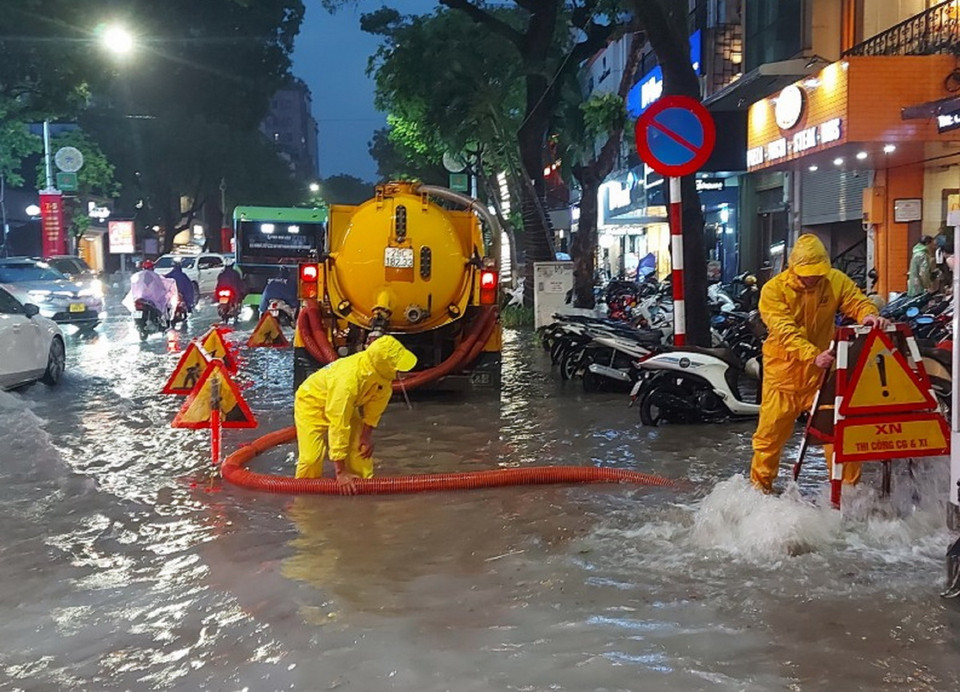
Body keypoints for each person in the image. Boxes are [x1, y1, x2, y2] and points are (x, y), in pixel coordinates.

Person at [750, 234, 890, 494]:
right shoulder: (774, 290)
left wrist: (869, 315)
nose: (812, 278)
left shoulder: (834, 281)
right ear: (793, 268)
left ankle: (848, 494)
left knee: (839, 436)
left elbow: (855, 300)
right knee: (768, 440)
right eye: (807, 274)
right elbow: (784, 330)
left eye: (816, 273)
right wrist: (812, 354)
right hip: (783, 378)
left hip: (822, 376)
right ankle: (760, 491)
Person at [294, 335, 417, 493]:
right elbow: (339, 423)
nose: (401, 372)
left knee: (361, 451)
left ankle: (365, 489)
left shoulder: (383, 378)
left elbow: (374, 411)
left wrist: (365, 436)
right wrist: (340, 473)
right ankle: (302, 495)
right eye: (397, 367)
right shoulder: (348, 380)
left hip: (345, 405)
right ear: (384, 364)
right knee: (311, 458)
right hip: (312, 402)